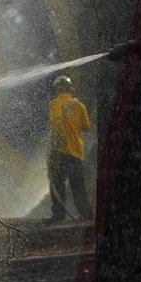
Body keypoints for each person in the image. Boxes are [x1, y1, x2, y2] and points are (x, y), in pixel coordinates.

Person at [48, 75, 92, 223]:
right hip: (76, 152)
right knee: (78, 184)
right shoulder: (80, 106)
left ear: (56, 89)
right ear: (70, 89)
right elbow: (86, 127)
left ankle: (58, 215)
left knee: (57, 183)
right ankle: (85, 215)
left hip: (59, 151)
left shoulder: (54, 104)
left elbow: (55, 124)